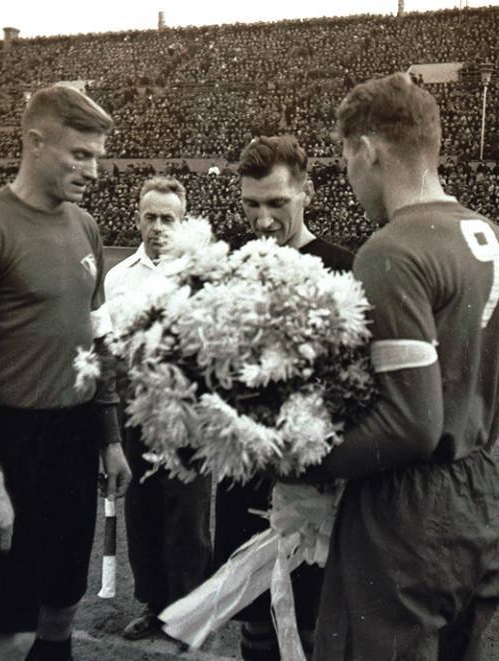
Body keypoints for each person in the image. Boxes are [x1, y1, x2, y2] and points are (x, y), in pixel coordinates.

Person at [311, 72, 499, 660]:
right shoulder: (496, 239)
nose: (349, 177)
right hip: (480, 495)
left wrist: (305, 460)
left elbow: (409, 426)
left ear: (366, 150)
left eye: (345, 160)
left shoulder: (393, 248)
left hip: (405, 514)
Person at [0, 84, 131, 661]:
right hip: (11, 444)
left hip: (74, 440)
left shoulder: (85, 226)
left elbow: (96, 338)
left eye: (97, 156)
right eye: (80, 154)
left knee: (61, 609)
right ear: (35, 142)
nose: (93, 170)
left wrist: (110, 437)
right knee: (10, 631)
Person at [212, 135, 354, 661]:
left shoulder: (343, 269)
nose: (263, 219)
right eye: (251, 204)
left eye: (277, 202)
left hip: (315, 482)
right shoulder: (230, 266)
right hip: (243, 475)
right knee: (255, 624)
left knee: (314, 625)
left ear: (307, 192)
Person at [103, 176, 212, 644]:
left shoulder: (201, 274)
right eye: (150, 216)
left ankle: (188, 615)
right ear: (137, 218)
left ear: (183, 222)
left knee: (187, 518)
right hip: (137, 413)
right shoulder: (118, 278)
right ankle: (154, 605)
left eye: (168, 218)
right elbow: (109, 352)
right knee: (142, 513)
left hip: (188, 415)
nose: (158, 226)